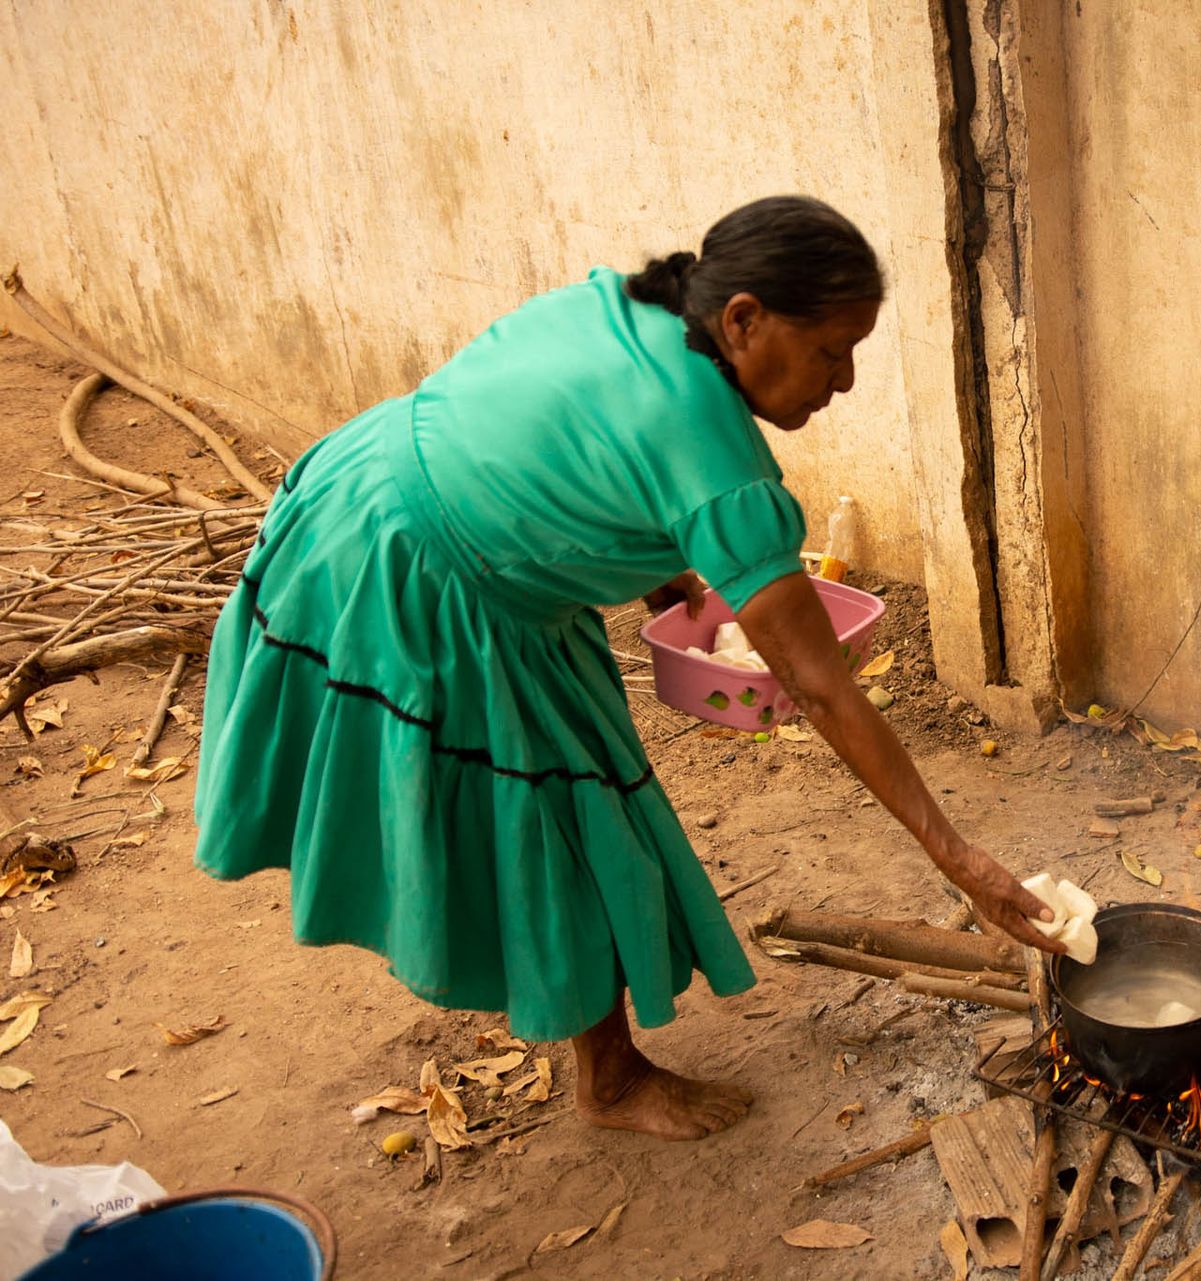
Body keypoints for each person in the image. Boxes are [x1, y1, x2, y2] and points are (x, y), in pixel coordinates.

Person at [194, 195, 1061, 1142]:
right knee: (563, 818)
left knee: (582, 793)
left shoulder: (630, 306)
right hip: (424, 579)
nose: (844, 380)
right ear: (743, 320)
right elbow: (820, 685)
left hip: (359, 483)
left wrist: (655, 566)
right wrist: (964, 861)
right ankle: (606, 1081)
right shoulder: (722, 463)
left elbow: (573, 432)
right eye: (829, 350)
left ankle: (603, 1064)